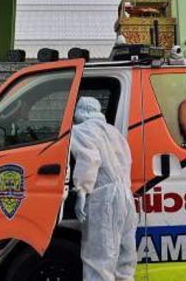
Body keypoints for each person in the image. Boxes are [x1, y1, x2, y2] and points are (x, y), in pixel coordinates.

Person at [69, 96, 137, 281]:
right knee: (125, 259)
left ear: (80, 111)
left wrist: (82, 191)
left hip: (104, 197)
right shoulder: (114, 132)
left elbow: (89, 159)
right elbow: (127, 162)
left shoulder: (81, 130)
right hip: (126, 197)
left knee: (99, 260)